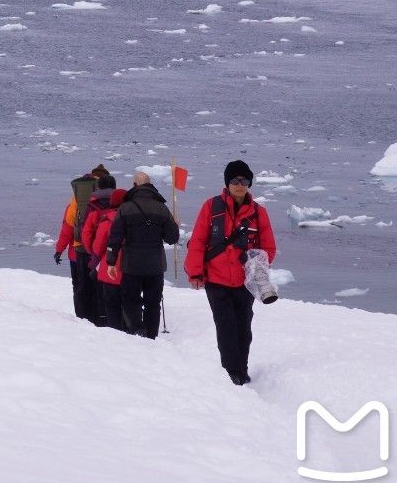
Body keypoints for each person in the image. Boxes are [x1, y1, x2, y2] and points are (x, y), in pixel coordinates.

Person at [185, 159, 278, 386]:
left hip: (245, 283)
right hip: (216, 279)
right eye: (235, 180)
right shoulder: (211, 207)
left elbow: (268, 248)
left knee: (243, 329)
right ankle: (231, 374)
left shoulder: (258, 213)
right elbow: (198, 240)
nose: (239, 185)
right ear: (228, 183)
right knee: (226, 327)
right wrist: (195, 273)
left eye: (244, 181)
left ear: (249, 184)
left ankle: (241, 369)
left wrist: (258, 270)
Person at [103, 172, 180, 338]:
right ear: (150, 185)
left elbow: (115, 237)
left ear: (134, 185)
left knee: (131, 300)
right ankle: (151, 336)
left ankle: (137, 330)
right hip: (155, 265)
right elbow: (172, 238)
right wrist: (174, 224)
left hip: (131, 264)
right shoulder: (162, 208)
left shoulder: (125, 207)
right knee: (153, 303)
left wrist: (111, 261)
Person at [55, 166, 113, 325]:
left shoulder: (76, 200)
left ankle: (82, 318)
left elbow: (67, 227)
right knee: (100, 285)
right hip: (103, 252)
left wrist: (59, 249)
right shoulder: (111, 198)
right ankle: (103, 318)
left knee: (80, 286)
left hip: (77, 251)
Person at [81, 182, 129, 330]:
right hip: (133, 267)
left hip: (110, 267)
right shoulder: (134, 218)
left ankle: (115, 331)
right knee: (130, 301)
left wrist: (93, 254)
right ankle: (130, 328)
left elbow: (98, 243)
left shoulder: (108, 219)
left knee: (111, 303)